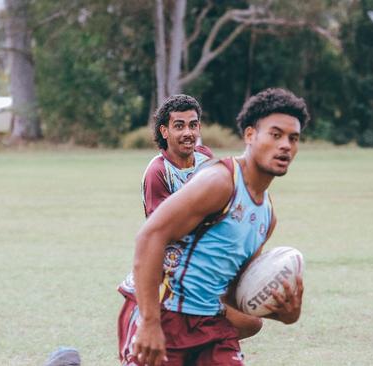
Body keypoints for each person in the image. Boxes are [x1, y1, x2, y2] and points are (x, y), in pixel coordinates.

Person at [131, 88, 307, 366]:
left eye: (293, 138)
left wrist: (281, 313)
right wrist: (150, 321)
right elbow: (150, 235)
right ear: (250, 136)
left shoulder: (266, 216)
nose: (285, 145)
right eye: (275, 135)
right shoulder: (220, 181)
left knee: (252, 323)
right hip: (168, 314)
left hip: (213, 325)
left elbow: (233, 288)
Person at [117, 94, 262, 365]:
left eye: (193, 125)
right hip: (168, 278)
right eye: (179, 125)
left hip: (201, 272)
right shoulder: (158, 172)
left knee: (251, 322)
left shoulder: (205, 158)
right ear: (164, 130)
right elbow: (164, 233)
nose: (188, 132)